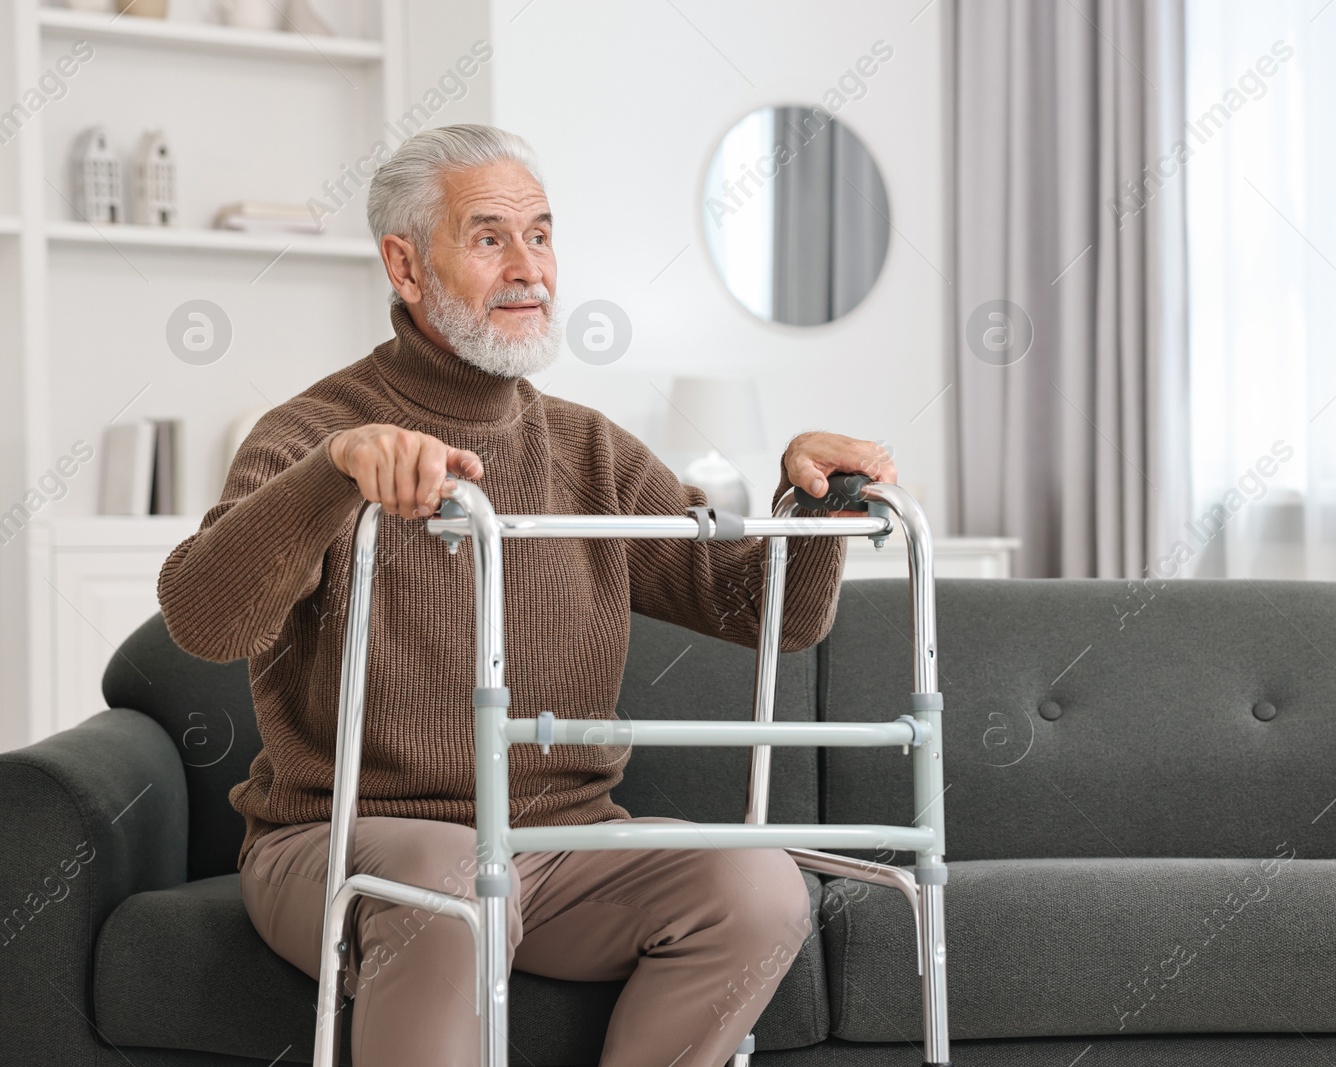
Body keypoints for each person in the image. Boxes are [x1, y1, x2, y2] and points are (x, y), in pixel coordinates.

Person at [156, 123, 896, 1067]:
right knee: (454, 884)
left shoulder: (590, 450)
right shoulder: (314, 432)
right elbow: (203, 618)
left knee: (759, 887)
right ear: (406, 265)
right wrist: (335, 476)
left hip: (562, 844)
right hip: (343, 840)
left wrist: (814, 501)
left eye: (541, 235)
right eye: (490, 236)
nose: (529, 268)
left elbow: (768, 617)